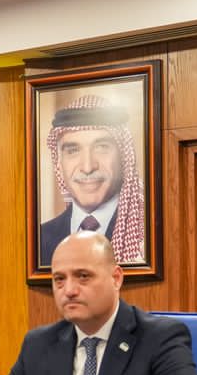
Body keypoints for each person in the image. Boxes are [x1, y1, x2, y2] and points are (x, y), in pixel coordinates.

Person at [0, 231, 197, 375]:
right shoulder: (39, 344)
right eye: (59, 279)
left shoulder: (160, 338)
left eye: (83, 276)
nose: (69, 291)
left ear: (116, 278)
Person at [37, 94, 146, 265]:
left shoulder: (147, 234)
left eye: (102, 147)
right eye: (73, 150)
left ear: (123, 157)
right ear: (59, 163)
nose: (88, 167)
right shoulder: (39, 240)